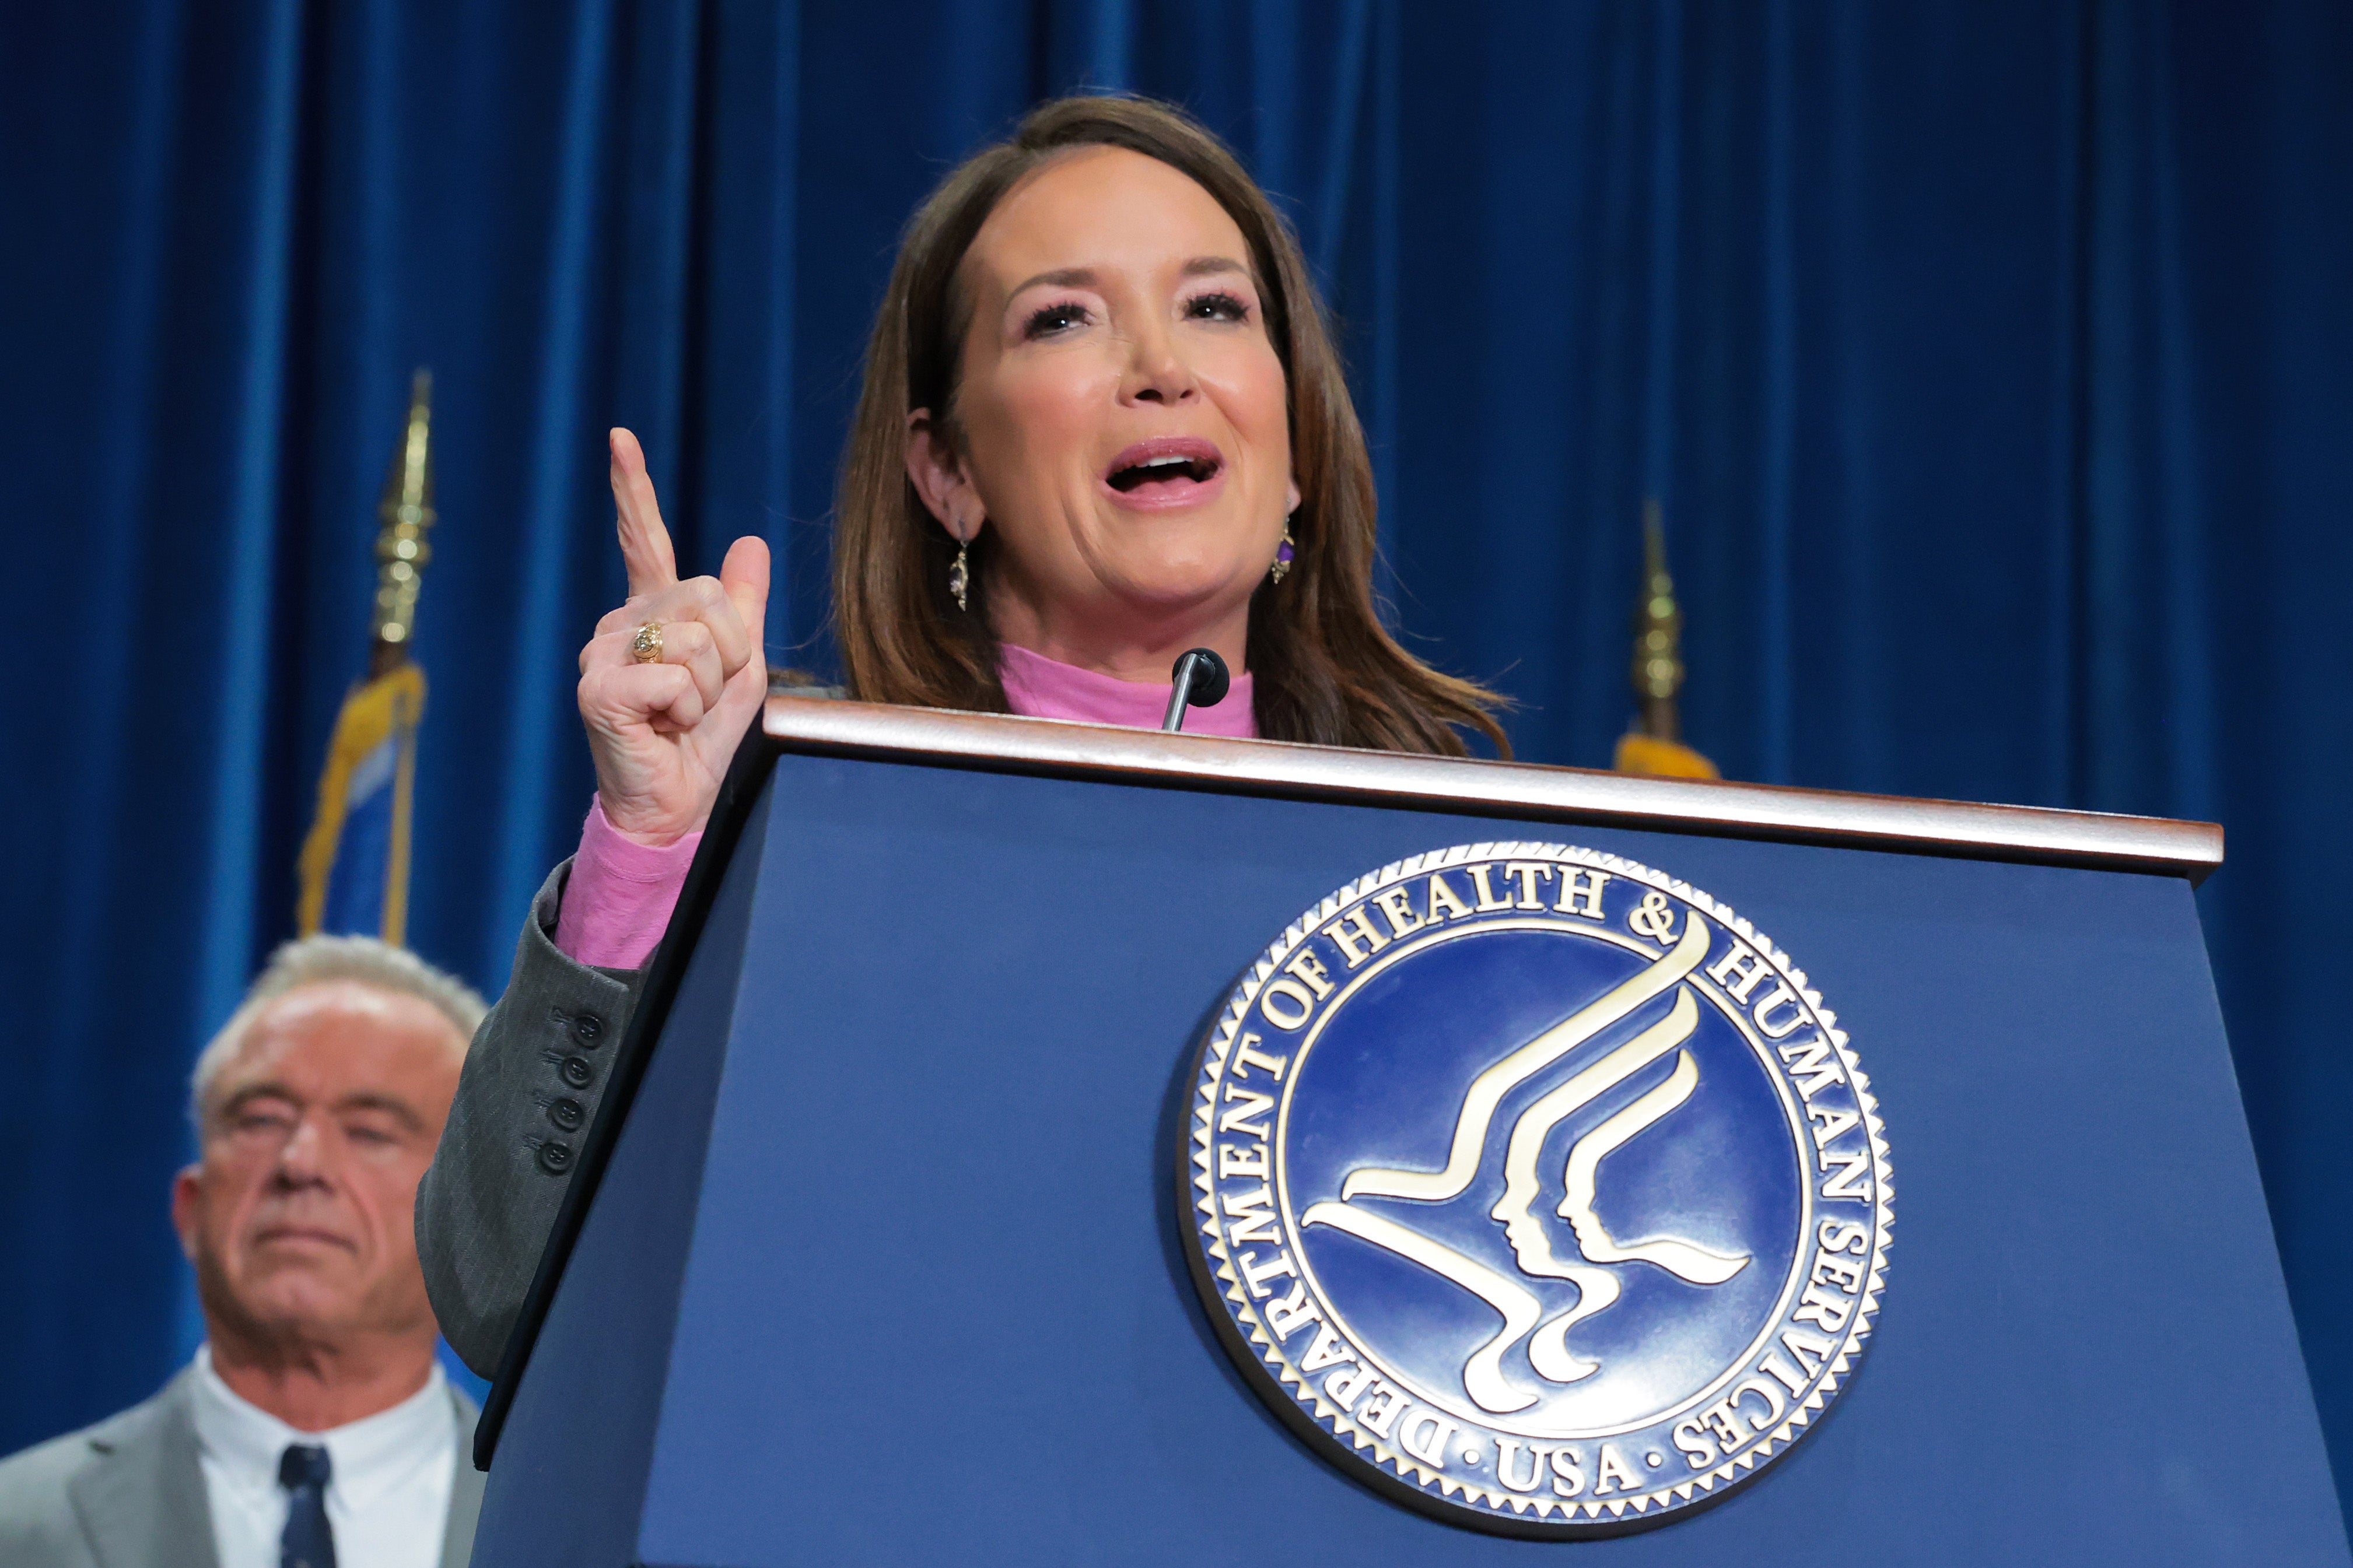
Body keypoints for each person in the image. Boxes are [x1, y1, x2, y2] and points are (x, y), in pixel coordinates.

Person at [416, 93, 1508, 1375]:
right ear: (948, 473)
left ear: (1297, 440)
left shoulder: (1450, 856)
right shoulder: (803, 819)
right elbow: (501, 1288)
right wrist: (654, 847)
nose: (1162, 366)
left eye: (1214, 307)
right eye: (1064, 318)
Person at [0, 937, 489, 1568]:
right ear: (191, 1208)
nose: (301, 1163)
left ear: (470, 1226)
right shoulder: (17, 1528)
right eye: (261, 1119)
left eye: (370, 1131)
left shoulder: (578, 1527)